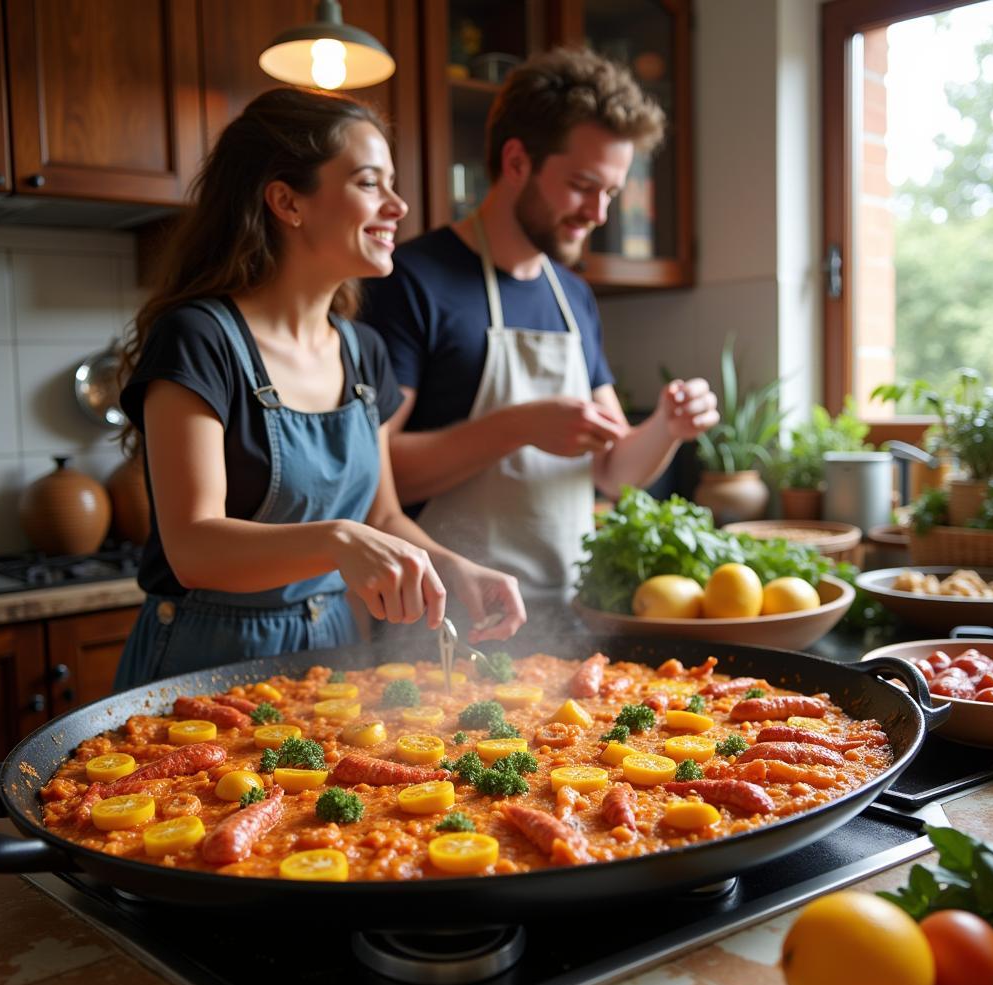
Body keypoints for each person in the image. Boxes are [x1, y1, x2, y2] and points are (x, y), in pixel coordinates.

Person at [111, 88, 525, 692]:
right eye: (368, 183)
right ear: (287, 201)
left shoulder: (363, 351)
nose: (399, 205)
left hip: (332, 656)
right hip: (202, 663)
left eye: (393, 184)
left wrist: (454, 568)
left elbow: (382, 513)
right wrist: (337, 540)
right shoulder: (199, 339)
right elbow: (192, 546)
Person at [362, 48, 719, 606]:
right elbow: (376, 479)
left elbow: (613, 469)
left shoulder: (572, 294)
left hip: (564, 609)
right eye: (582, 185)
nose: (599, 213)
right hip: (445, 617)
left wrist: (668, 426)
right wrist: (519, 427)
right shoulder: (411, 281)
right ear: (516, 162)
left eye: (612, 192)